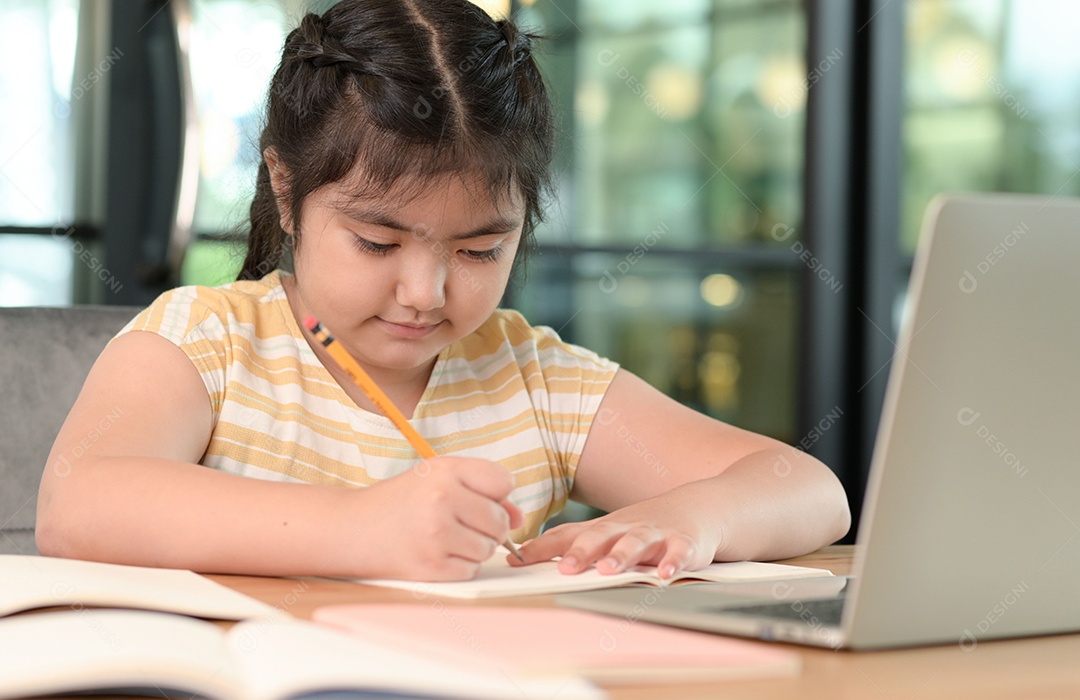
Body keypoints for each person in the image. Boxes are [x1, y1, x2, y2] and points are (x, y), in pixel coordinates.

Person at [36, 0, 849, 581]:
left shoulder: (529, 379)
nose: (424, 293)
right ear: (286, 192)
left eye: (479, 248)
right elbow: (80, 502)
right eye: (377, 242)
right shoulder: (207, 341)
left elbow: (808, 490)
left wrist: (691, 519)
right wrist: (360, 528)